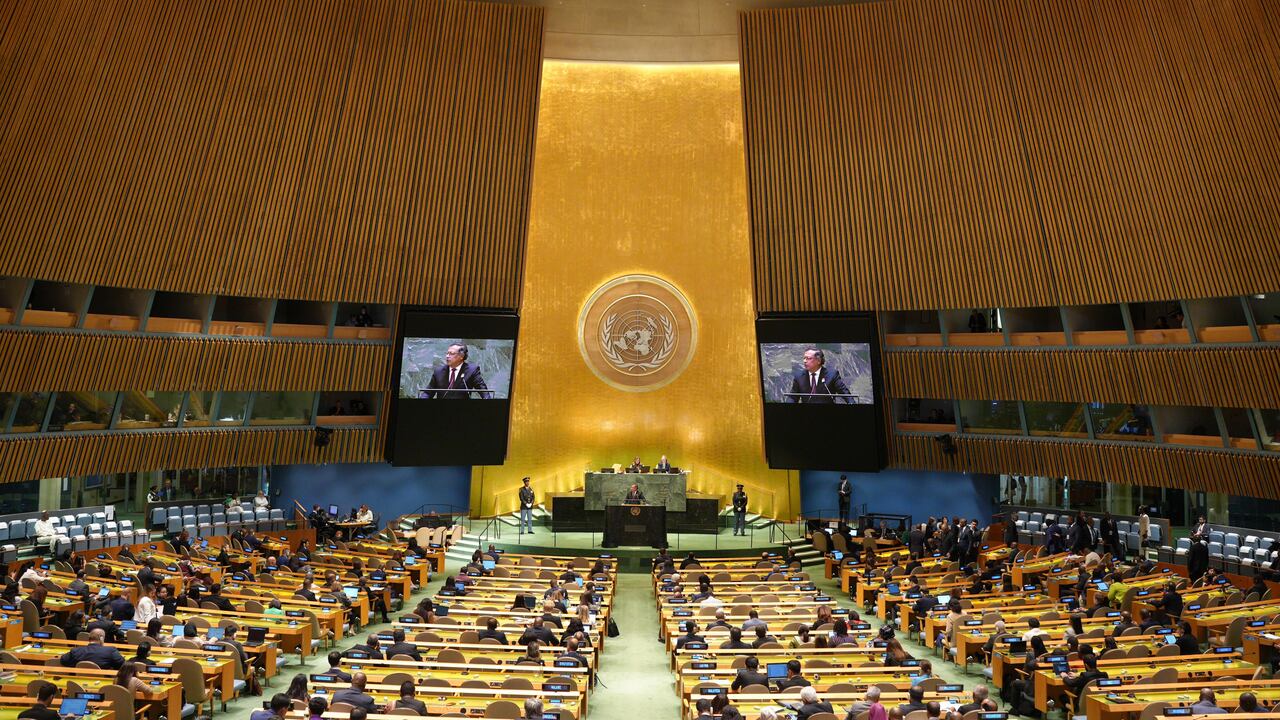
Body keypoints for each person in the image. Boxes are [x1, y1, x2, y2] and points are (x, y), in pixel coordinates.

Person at [421, 343, 488, 399]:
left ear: (461, 356)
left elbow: (484, 392)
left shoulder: (472, 370)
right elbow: (428, 393)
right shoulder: (439, 371)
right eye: (447, 353)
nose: (447, 356)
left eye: (451, 354)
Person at [59, 628, 124, 669]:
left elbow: (63, 660)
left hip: (79, 682)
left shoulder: (76, 651)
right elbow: (122, 664)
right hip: (103, 683)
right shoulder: (111, 650)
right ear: (101, 638)